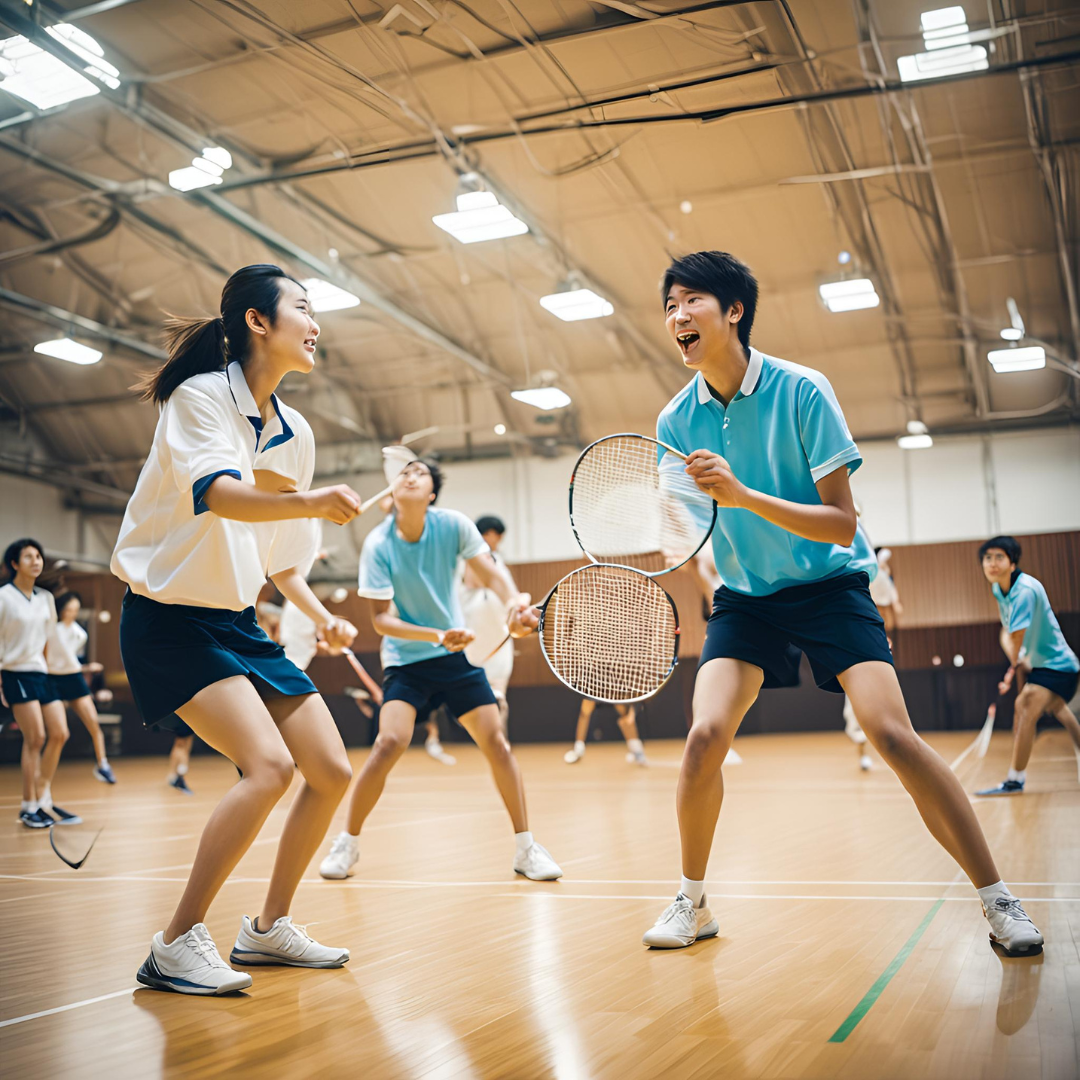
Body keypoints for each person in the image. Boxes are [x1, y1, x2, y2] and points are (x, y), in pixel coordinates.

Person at [640, 250, 1042, 958]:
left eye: (691, 300)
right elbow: (686, 529)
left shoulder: (802, 391)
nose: (677, 316)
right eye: (669, 305)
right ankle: (692, 901)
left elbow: (841, 522)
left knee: (891, 734)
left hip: (829, 585)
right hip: (747, 600)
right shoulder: (675, 421)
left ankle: (997, 897)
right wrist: (694, 555)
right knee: (703, 739)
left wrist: (744, 497)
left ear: (734, 310)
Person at [112, 263, 367, 995]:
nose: (315, 324)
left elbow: (283, 566)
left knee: (328, 770)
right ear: (258, 321)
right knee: (269, 768)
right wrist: (313, 501)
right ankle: (174, 941)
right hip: (167, 619)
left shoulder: (297, 432)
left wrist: (321, 619)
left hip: (238, 621)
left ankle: (266, 930)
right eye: (302, 308)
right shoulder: (198, 399)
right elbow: (222, 495)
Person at [319, 459, 562, 883]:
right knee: (389, 742)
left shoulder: (452, 526)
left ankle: (526, 848)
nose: (410, 476)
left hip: (453, 659)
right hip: (406, 660)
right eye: (404, 472)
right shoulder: (378, 545)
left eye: (421, 474)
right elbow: (380, 621)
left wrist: (513, 604)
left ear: (431, 493)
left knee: (496, 744)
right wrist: (436, 634)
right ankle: (348, 842)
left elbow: (492, 574)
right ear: (392, 490)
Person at [975, 536, 1080, 796]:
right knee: (1059, 709)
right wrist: (1015, 660)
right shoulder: (1000, 589)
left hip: (1058, 666)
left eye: (999, 557)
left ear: (1012, 563)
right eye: (987, 558)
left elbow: (1015, 637)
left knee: (1024, 705)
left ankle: (1015, 780)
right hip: (1043, 664)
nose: (992, 563)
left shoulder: (1024, 591)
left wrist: (1012, 669)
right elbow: (1009, 632)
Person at [0, 539, 82, 827]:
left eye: (38, 556)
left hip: (40, 673)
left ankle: (43, 796)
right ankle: (28, 806)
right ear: (14, 564)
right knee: (35, 738)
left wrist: (46, 668)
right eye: (28, 556)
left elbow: (47, 639)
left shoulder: (46, 598)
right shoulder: (3, 597)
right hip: (14, 672)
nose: (36, 561)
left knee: (60, 733)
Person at [46, 591, 115, 784]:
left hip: (74, 679)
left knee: (93, 723)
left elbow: (72, 660)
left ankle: (103, 764)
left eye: (75, 609)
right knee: (58, 732)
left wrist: (86, 667)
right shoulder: (52, 629)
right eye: (69, 609)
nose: (72, 613)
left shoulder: (80, 634)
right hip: (53, 679)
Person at [564, 699, 647, 765]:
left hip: (614, 687)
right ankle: (579, 749)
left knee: (625, 715)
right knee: (585, 710)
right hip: (596, 686)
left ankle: (637, 752)